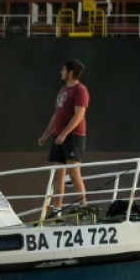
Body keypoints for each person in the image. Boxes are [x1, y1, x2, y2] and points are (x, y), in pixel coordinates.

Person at [38, 59, 90, 216]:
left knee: (74, 172)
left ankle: (84, 208)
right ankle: (56, 210)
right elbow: (57, 114)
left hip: (73, 136)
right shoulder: (62, 89)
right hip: (59, 136)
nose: (61, 72)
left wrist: (64, 134)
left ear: (70, 73)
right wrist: (47, 134)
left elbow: (79, 115)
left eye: (63, 70)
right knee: (58, 173)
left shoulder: (80, 90)